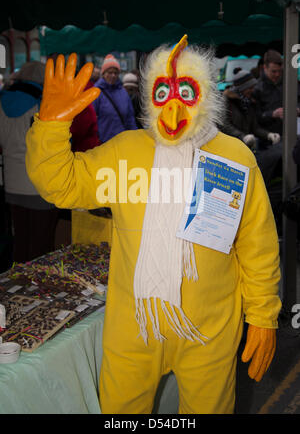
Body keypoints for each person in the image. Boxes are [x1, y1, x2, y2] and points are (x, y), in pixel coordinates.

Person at [26, 37, 281, 414]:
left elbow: (255, 243)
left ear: (207, 94)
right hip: (134, 326)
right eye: (163, 91)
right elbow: (61, 184)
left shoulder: (233, 157)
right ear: (148, 95)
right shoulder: (125, 151)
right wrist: (50, 128)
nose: (174, 108)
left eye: (187, 92)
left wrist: (263, 315)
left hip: (209, 328)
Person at [0, 61, 58, 263]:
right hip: (40, 183)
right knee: (42, 246)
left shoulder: (1, 102)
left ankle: (16, 288)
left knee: (21, 242)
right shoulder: (44, 103)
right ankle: (38, 291)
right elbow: (58, 142)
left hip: (12, 184)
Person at [222, 68, 282, 187]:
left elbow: (255, 128)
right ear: (242, 87)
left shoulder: (249, 103)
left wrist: (269, 135)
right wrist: (243, 137)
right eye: (249, 87)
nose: (252, 90)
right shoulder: (226, 101)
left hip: (246, 149)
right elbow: (225, 125)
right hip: (230, 151)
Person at [93, 54, 138, 143]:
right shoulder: (96, 93)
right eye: (110, 72)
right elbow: (91, 120)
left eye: (116, 72)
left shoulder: (123, 93)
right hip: (103, 143)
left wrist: (134, 137)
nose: (113, 75)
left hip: (122, 142)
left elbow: (130, 118)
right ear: (103, 74)